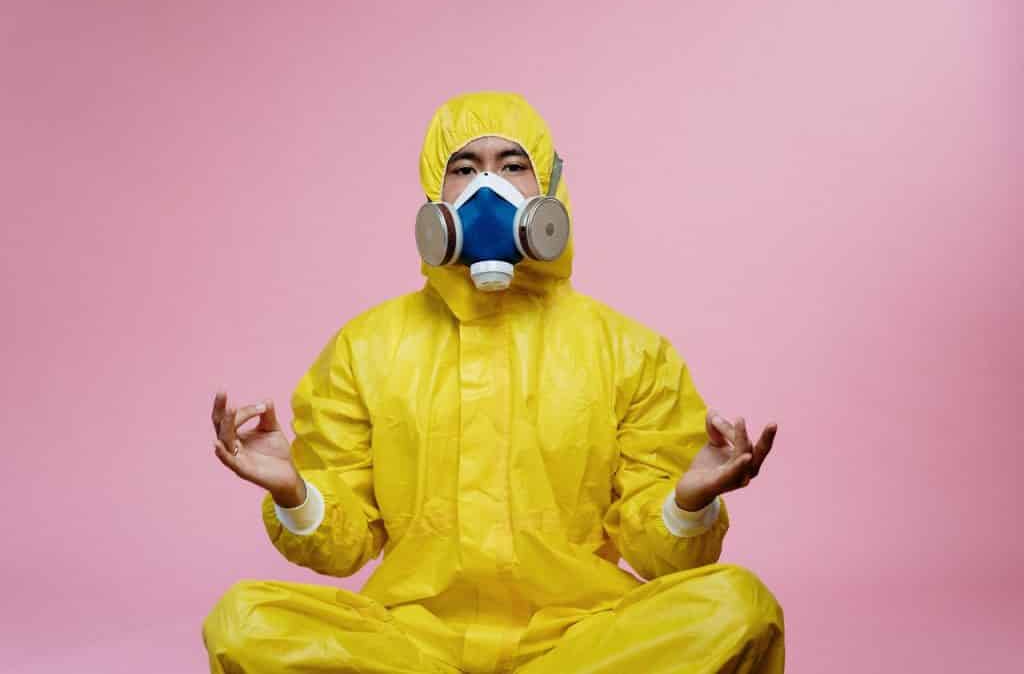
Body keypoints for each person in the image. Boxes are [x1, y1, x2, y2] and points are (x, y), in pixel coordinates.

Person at [203, 91, 784, 673]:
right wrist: (295, 493)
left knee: (736, 608)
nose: (489, 188)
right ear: (436, 193)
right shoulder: (366, 346)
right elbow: (346, 545)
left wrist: (688, 502)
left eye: (512, 166)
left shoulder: (630, 351)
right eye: (464, 169)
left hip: (577, 642)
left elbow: (660, 556)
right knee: (244, 623)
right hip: (413, 643)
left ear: (549, 189)